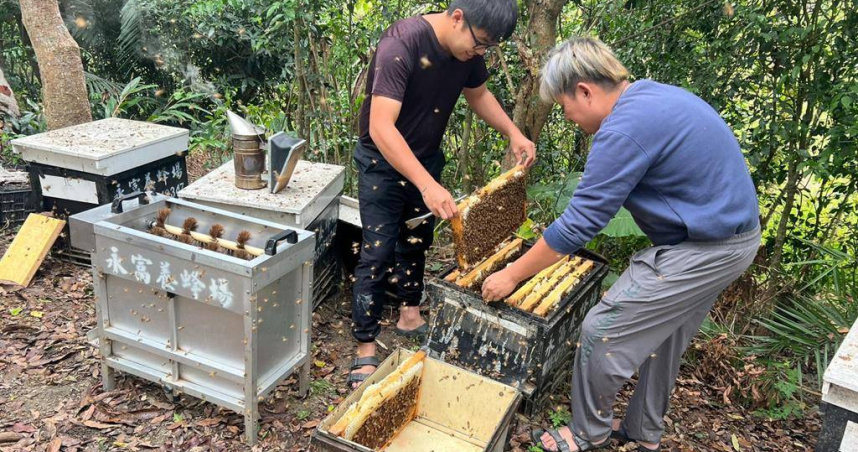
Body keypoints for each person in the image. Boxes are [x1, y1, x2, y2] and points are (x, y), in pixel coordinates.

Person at [482, 37, 760, 452]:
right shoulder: (651, 96)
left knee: (602, 330)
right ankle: (643, 431)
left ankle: (586, 433)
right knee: (663, 338)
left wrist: (511, 275)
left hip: (706, 248)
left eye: (564, 106)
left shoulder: (623, 130)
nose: (568, 117)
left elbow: (578, 225)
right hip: (732, 240)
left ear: (585, 91)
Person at [348, 0, 536, 389]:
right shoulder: (402, 42)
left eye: (488, 47)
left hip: (426, 158)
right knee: (378, 249)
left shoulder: (469, 51)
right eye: (480, 43)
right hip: (382, 162)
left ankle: (409, 314)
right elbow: (381, 127)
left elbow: (478, 94)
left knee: (417, 239)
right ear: (457, 18)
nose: (480, 52)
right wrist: (426, 184)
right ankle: (365, 342)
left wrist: (513, 132)